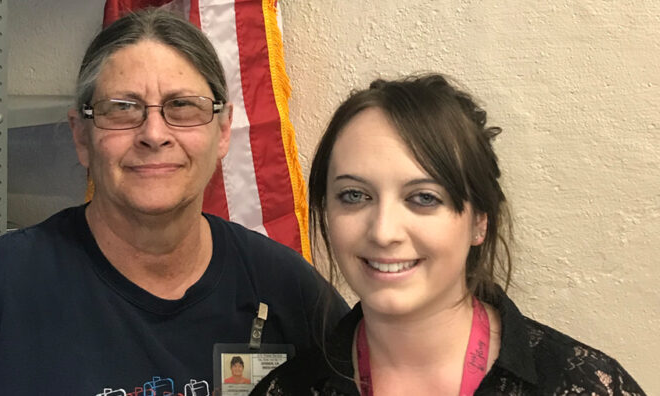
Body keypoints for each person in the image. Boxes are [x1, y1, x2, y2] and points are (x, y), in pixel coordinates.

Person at [0, 8, 347, 394]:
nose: (154, 134)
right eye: (123, 109)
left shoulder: (286, 289)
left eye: (182, 106)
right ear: (81, 137)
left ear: (223, 130)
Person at [251, 74, 646, 395]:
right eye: (354, 195)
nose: (384, 231)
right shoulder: (286, 389)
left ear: (479, 221)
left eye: (423, 197)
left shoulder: (582, 384)